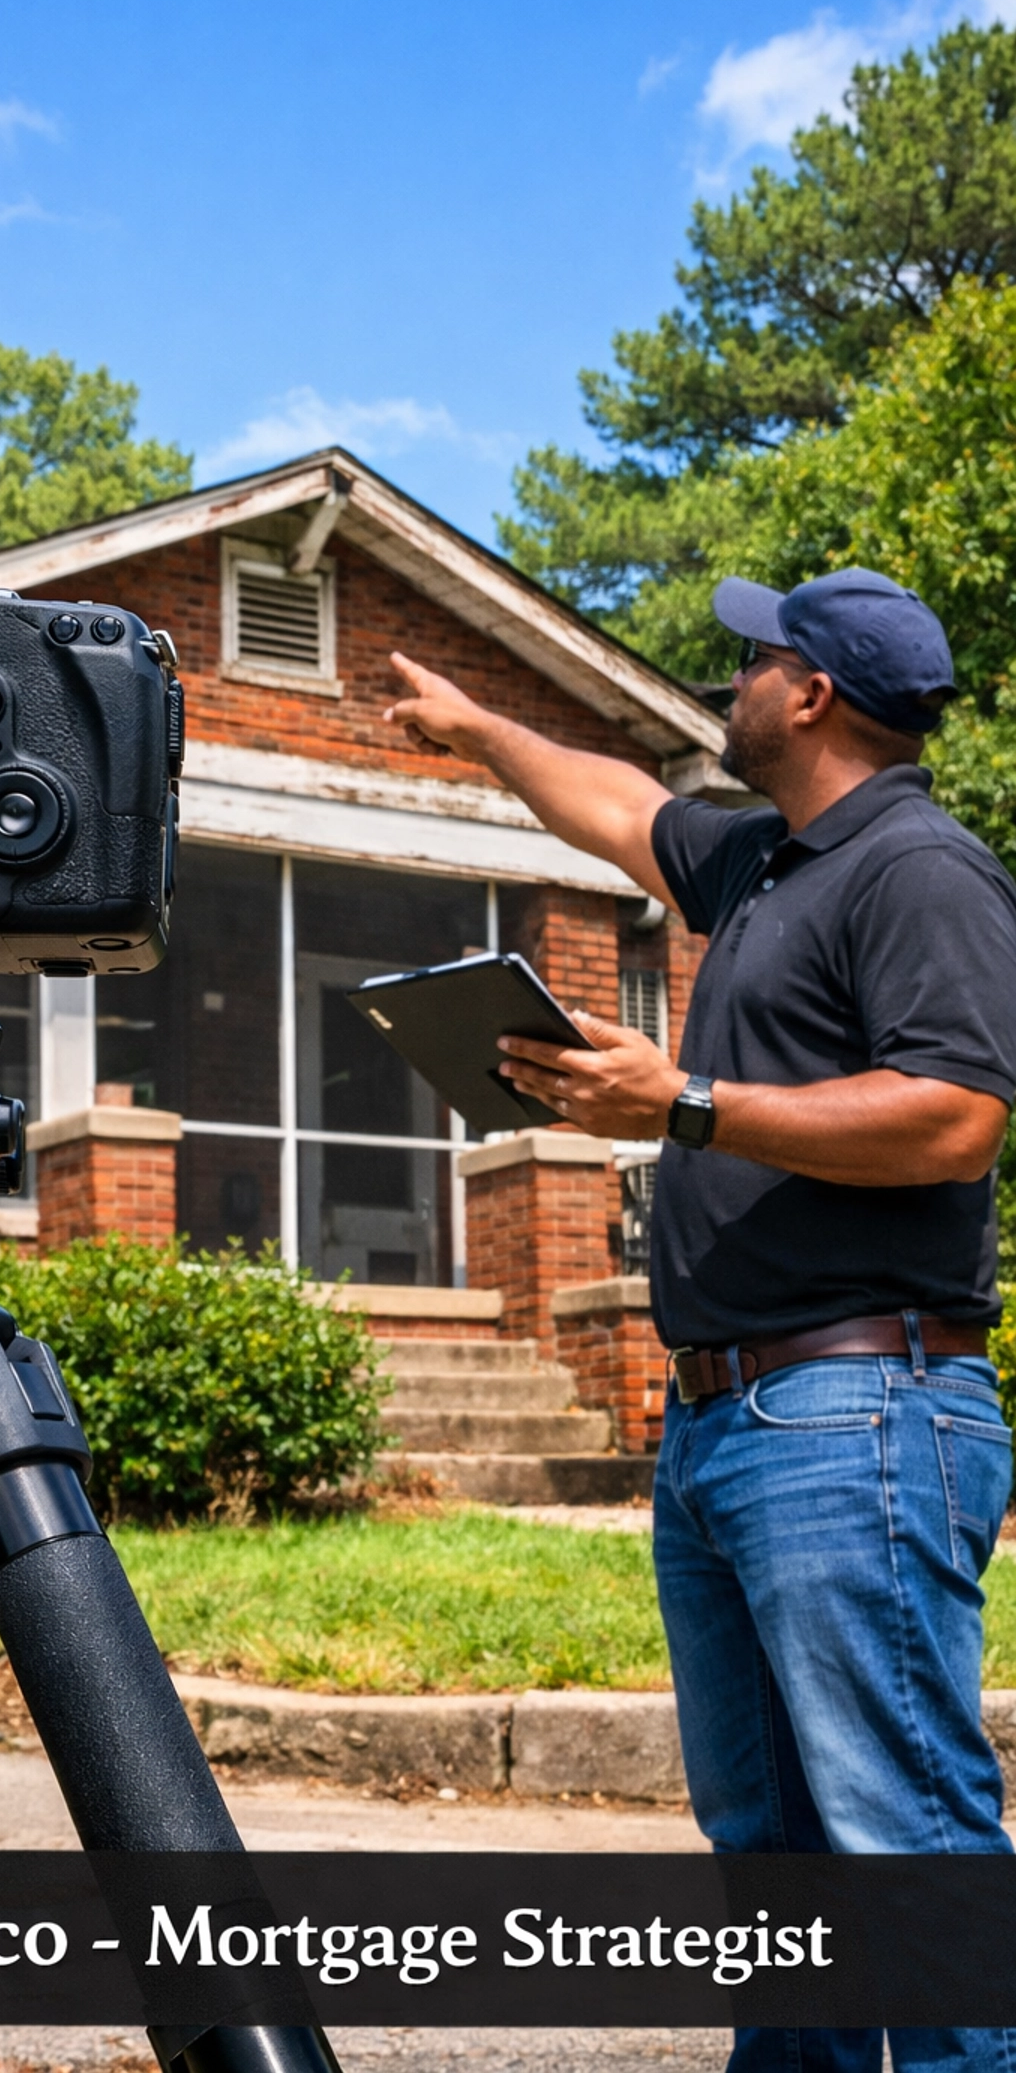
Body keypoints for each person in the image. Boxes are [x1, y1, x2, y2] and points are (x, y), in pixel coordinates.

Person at [385, 568, 1016, 2073]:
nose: (731, 677)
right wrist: (479, 728)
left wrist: (683, 1101)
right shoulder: (765, 864)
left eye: (755, 658)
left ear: (812, 694)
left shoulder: (920, 870)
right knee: (770, 1849)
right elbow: (617, 807)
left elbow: (956, 1119)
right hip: (730, 1421)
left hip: (859, 1411)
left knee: (902, 1834)